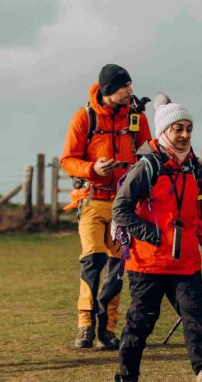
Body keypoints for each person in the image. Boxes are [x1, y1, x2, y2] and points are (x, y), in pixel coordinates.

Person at [111, 94, 202, 382]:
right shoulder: (147, 167)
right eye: (177, 129)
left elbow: (201, 217)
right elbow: (121, 209)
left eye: (188, 129)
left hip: (185, 263)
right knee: (140, 323)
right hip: (148, 264)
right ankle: (127, 377)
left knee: (197, 317)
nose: (183, 135)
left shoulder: (194, 168)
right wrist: (151, 235)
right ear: (163, 131)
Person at [61, 64, 152, 349]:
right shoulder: (83, 118)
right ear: (110, 89)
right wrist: (92, 168)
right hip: (91, 200)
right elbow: (67, 160)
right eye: (126, 86)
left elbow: (148, 151)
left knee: (117, 266)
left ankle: (107, 329)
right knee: (93, 259)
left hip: (124, 204)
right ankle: (85, 325)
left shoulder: (136, 117)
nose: (131, 91)